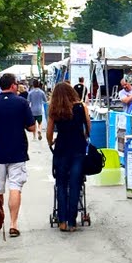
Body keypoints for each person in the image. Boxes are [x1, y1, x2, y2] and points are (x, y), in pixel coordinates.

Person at [0, 72, 36, 238]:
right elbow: (32, 127)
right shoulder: (22, 103)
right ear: (13, 85)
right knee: (15, 187)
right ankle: (13, 224)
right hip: (18, 151)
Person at [46, 81, 90, 230]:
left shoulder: (54, 109)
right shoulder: (81, 107)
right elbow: (88, 127)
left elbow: (49, 132)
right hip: (78, 149)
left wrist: (51, 142)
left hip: (61, 148)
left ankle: (62, 221)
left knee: (61, 183)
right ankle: (72, 222)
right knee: (75, 183)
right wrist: (83, 137)